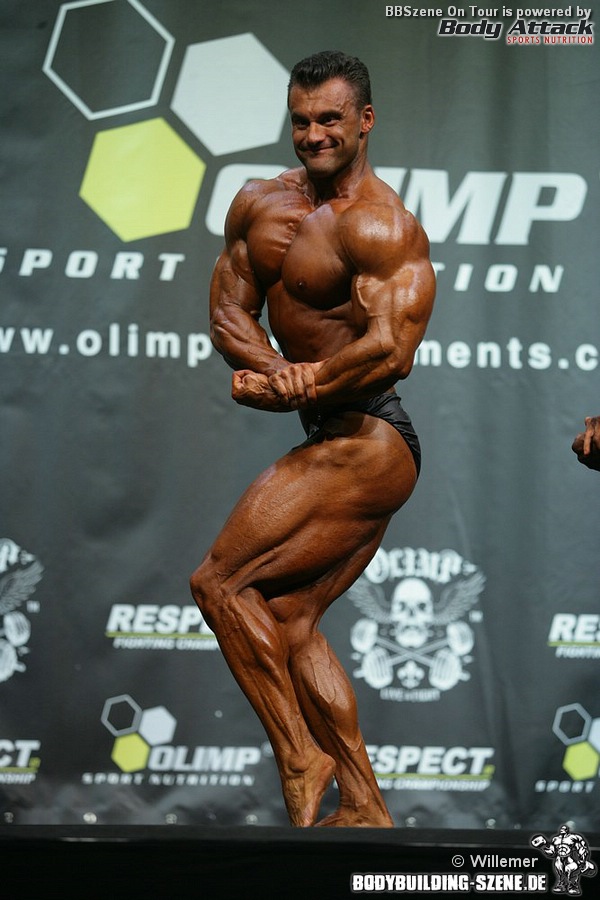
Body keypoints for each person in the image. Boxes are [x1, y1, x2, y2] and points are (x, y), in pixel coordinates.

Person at [190, 50, 436, 827]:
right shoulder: (259, 203)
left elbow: (392, 348)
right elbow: (229, 311)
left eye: (330, 119)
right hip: (334, 430)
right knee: (291, 620)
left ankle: (300, 756)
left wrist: (310, 381)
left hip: (369, 437)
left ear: (365, 121)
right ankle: (364, 804)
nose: (314, 134)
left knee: (220, 585)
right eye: (301, 120)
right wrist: (274, 372)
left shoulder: (381, 224)